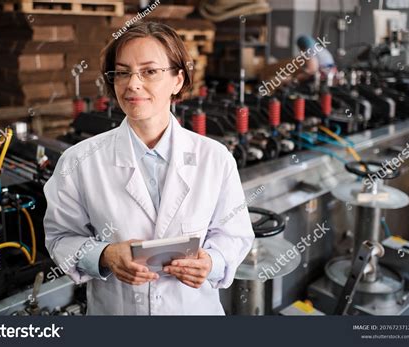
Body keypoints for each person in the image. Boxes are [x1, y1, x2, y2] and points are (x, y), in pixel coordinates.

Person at [43, 22, 255, 315]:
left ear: (178, 80)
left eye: (150, 71)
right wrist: (104, 255)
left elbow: (235, 235)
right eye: (122, 72)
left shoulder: (215, 159)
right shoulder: (79, 160)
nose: (133, 84)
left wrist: (212, 262)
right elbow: (61, 237)